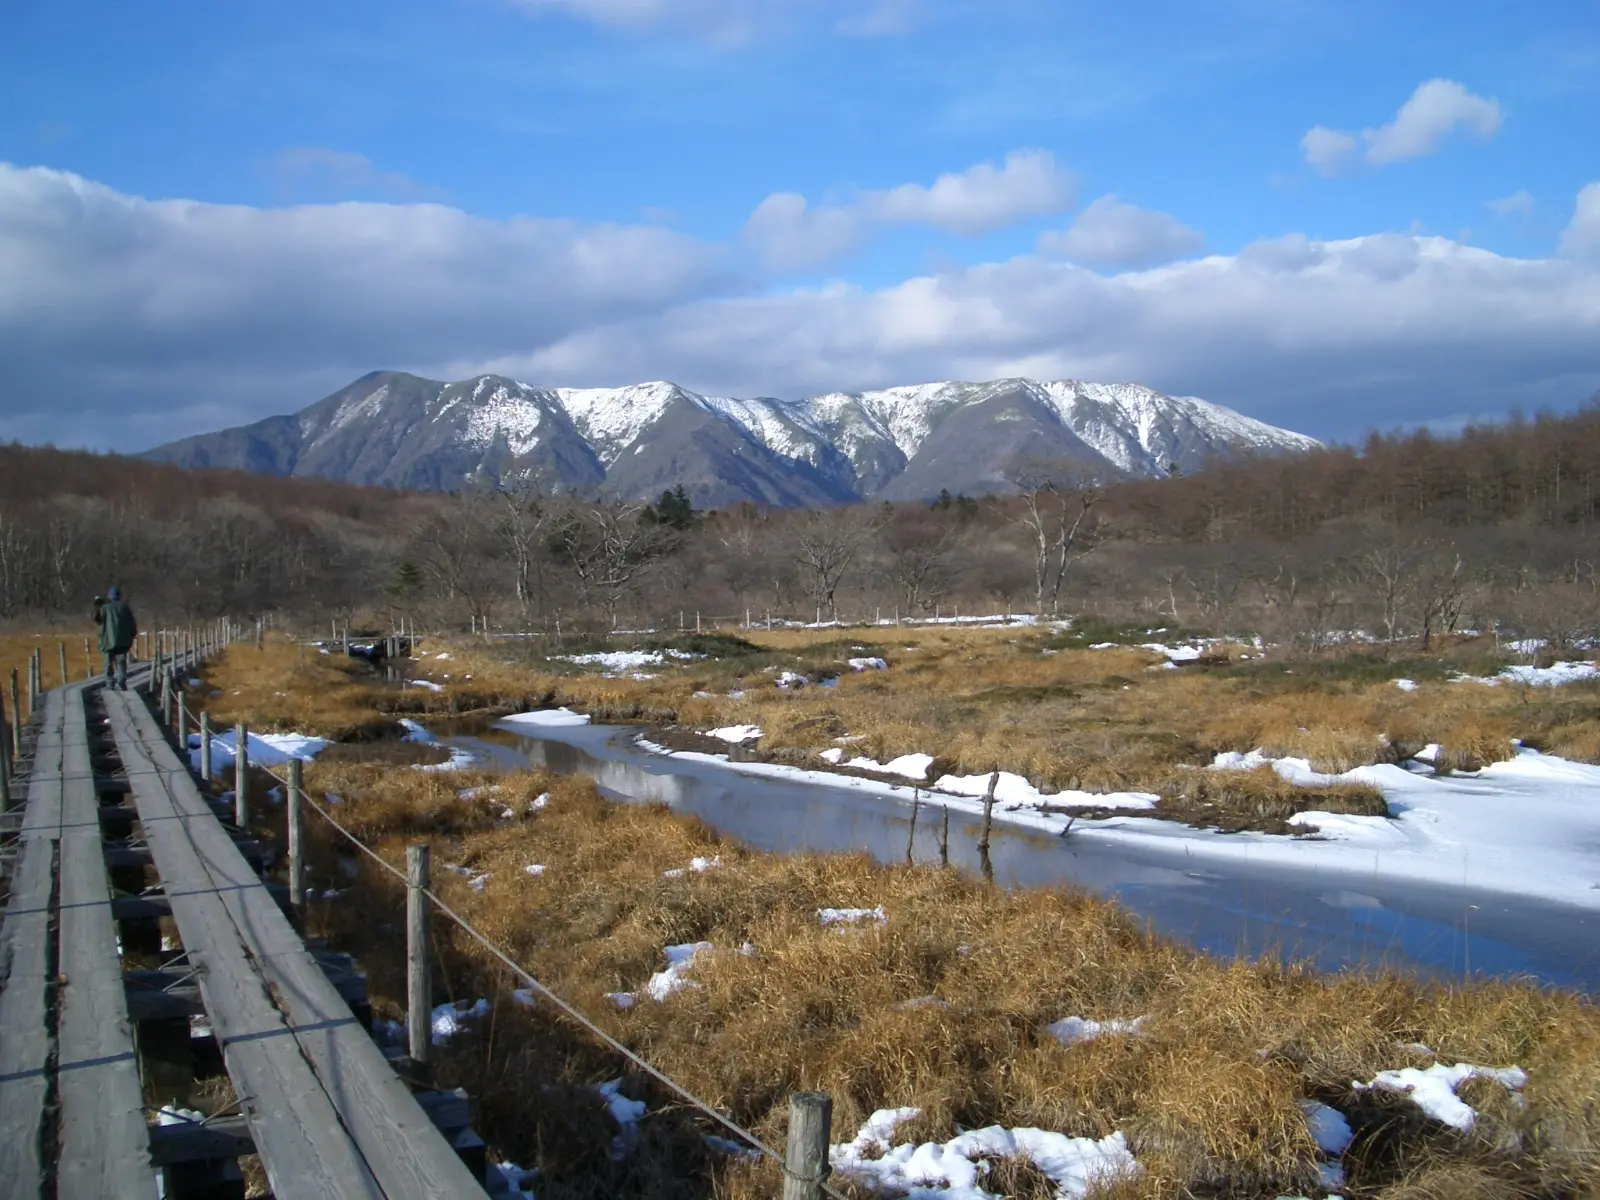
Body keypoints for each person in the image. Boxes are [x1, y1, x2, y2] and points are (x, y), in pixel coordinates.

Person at [94, 586, 138, 691]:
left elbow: (97, 620)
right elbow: (132, 624)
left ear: (109, 595)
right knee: (121, 662)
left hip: (108, 641)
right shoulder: (125, 608)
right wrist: (132, 635)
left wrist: (97, 605)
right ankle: (121, 682)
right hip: (123, 641)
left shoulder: (105, 608)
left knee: (108, 662)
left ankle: (110, 683)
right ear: (119, 596)